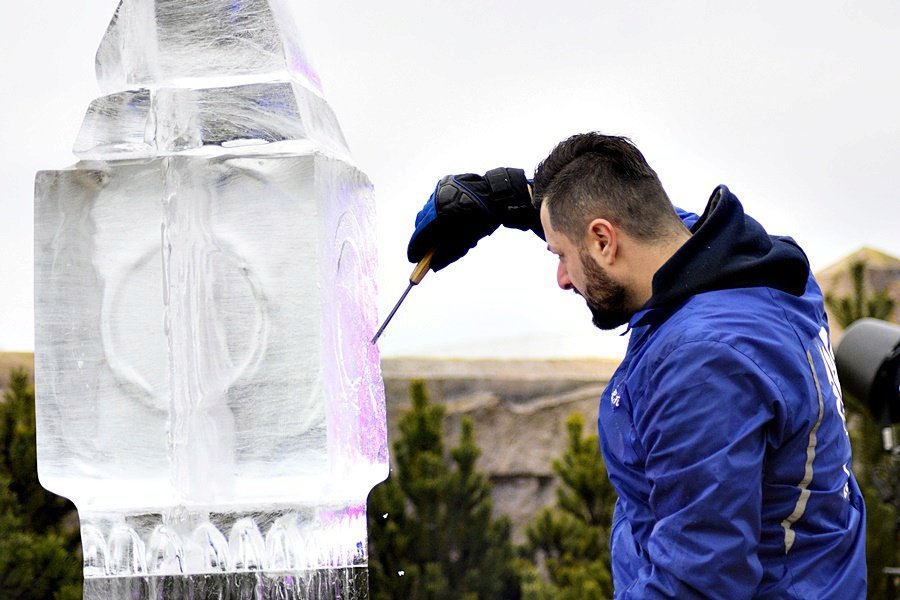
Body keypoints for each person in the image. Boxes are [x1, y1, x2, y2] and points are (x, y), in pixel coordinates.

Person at [406, 133, 867, 598]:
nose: (563, 278)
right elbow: (651, 222)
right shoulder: (754, 270)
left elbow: (697, 579)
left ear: (604, 239)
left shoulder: (703, 364)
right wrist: (516, 200)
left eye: (562, 255)